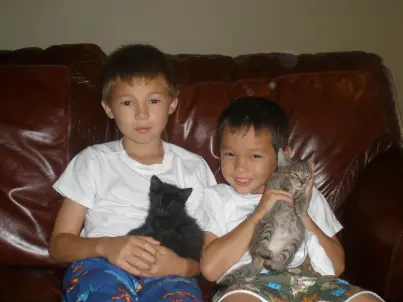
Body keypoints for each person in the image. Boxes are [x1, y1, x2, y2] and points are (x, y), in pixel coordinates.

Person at [49, 44, 216, 302]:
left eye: (154, 100)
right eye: (127, 102)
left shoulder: (193, 167)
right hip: (100, 265)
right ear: (108, 108)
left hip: (170, 274)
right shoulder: (92, 161)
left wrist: (183, 267)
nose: (141, 113)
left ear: (172, 103)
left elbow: (209, 250)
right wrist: (106, 246)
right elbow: (59, 245)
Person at [199, 97, 383, 302]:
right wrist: (261, 210)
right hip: (251, 284)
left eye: (255, 156)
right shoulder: (217, 197)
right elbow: (211, 269)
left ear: (282, 156)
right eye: (230, 154)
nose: (240, 167)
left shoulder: (307, 195)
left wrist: (303, 214)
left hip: (314, 282)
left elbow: (338, 266)